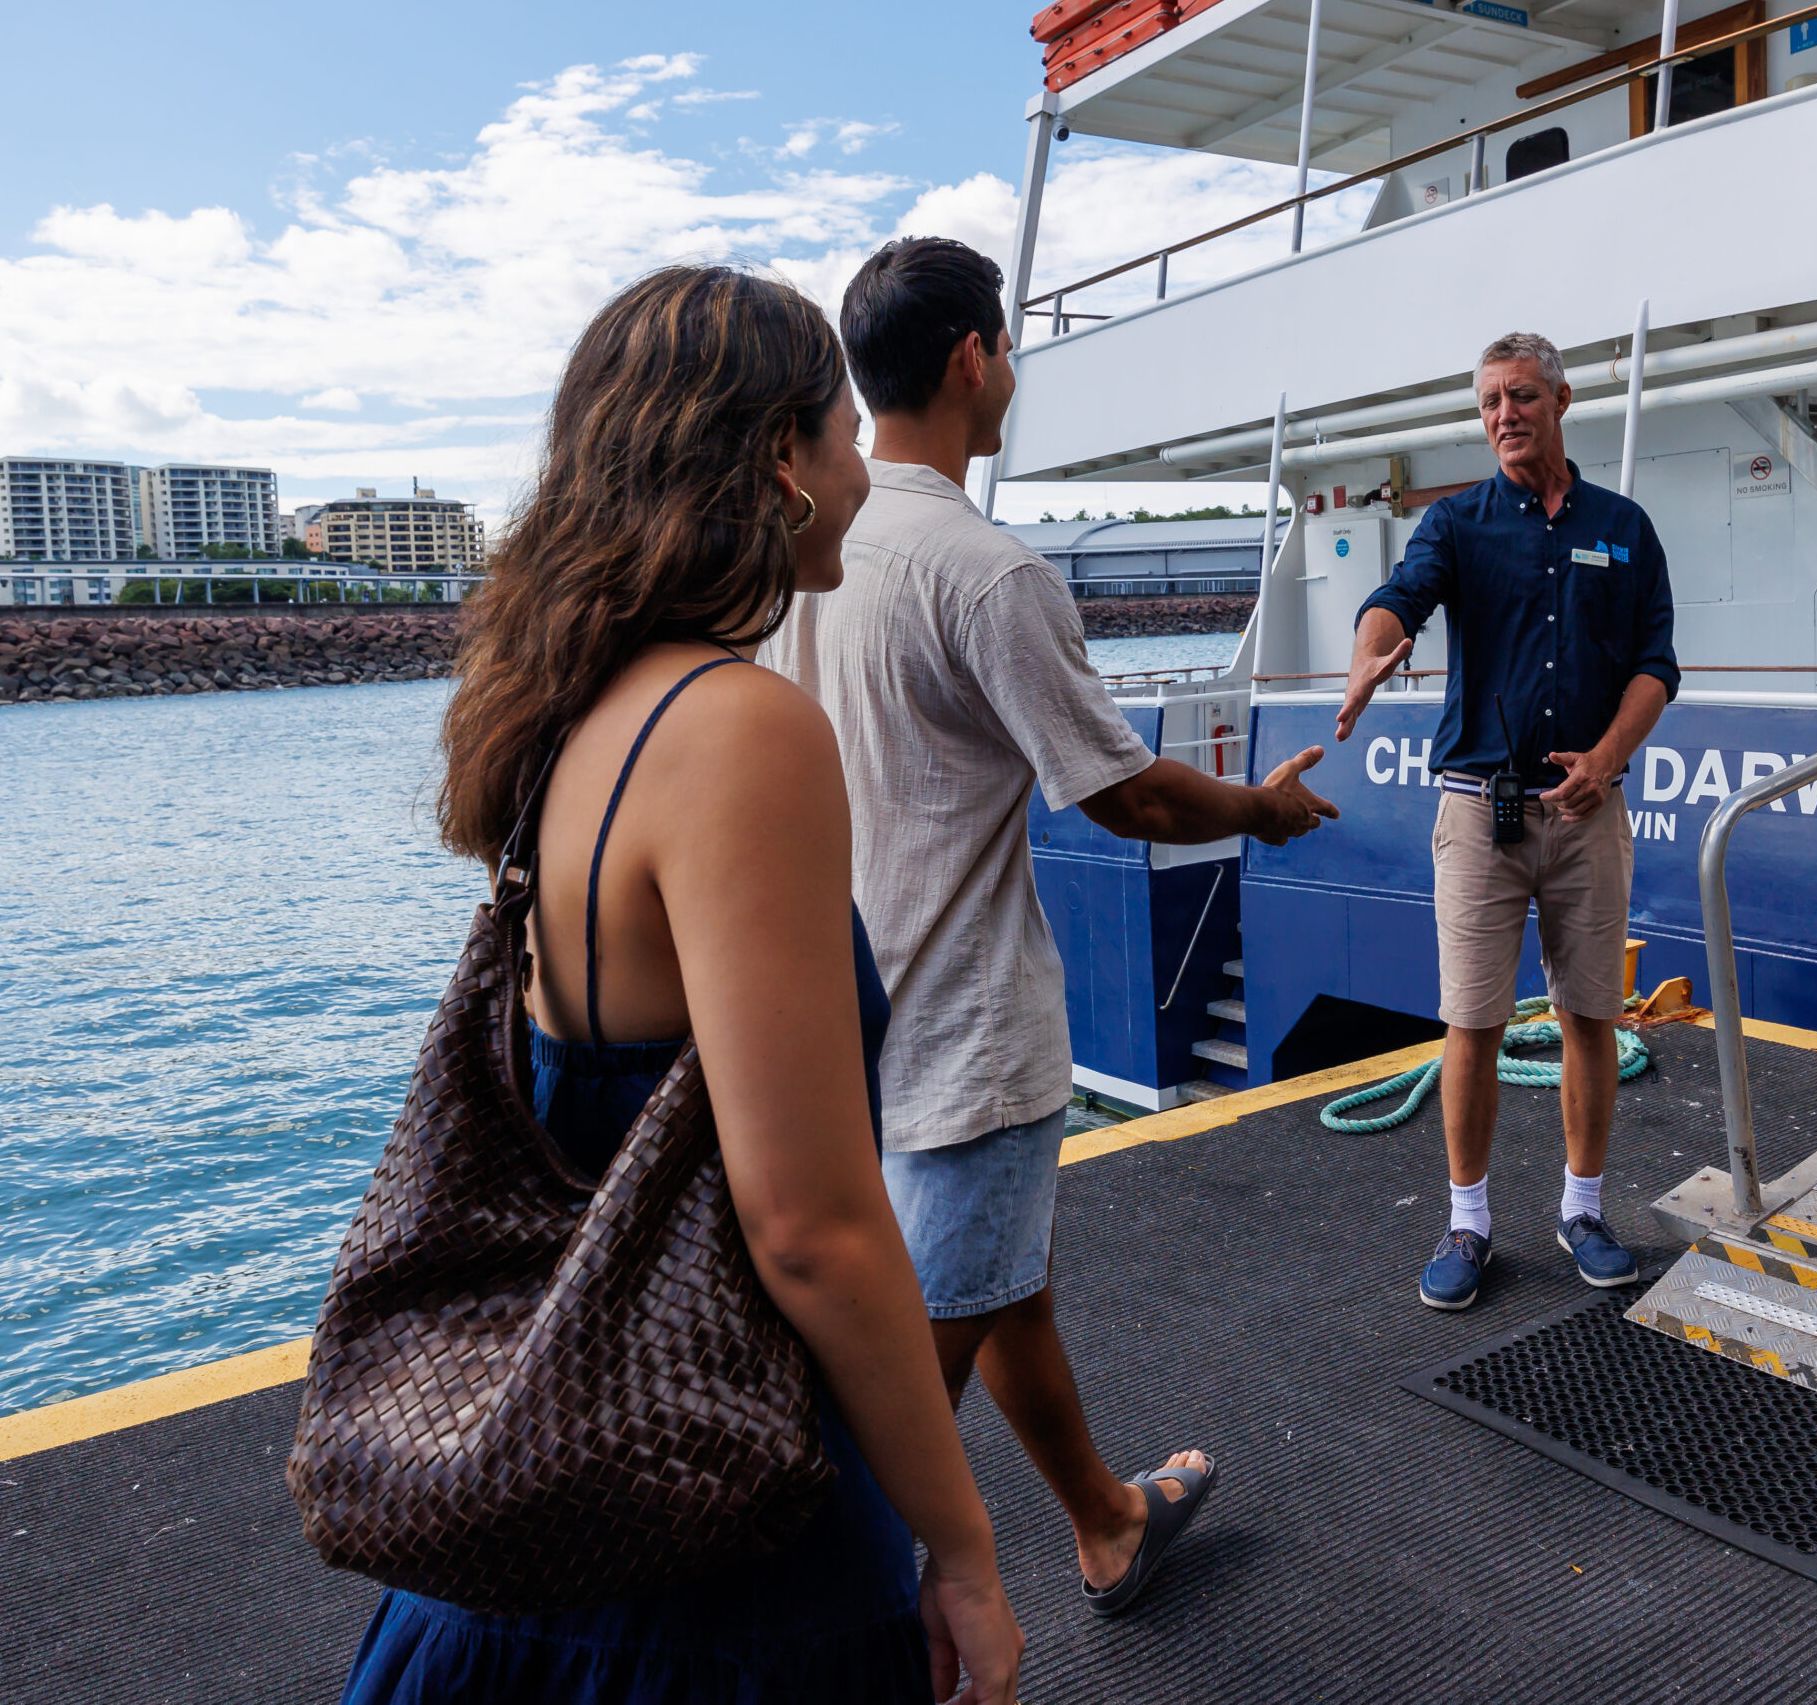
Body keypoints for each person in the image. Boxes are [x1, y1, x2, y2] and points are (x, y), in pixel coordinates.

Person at [343, 265, 1022, 1702]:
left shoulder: (568, 717)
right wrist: (959, 1548)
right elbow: (811, 1228)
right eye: (840, 436)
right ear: (777, 459)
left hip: (552, 1521)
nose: (858, 472)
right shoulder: (741, 733)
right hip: (722, 1536)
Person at [762, 236, 1336, 1618]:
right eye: (1007, 346)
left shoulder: (813, 553)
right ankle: (853, 1635)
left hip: (844, 1021)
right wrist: (1257, 808)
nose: (1011, 369)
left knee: (1001, 1283)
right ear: (973, 360)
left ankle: (1105, 1521)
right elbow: (1126, 792)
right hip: (967, 1031)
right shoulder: (986, 569)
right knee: (913, 1387)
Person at [1333, 330, 1678, 1312]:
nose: (1503, 416)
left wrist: (1607, 761)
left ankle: (1582, 1210)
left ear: (1561, 400)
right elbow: (1397, 599)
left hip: (1591, 814)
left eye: (1521, 396)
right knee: (1473, 1025)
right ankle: (1469, 1222)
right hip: (1479, 812)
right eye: (1488, 402)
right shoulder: (1458, 524)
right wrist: (1372, 654)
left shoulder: (1625, 527)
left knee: (1589, 1018)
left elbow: (1658, 663)